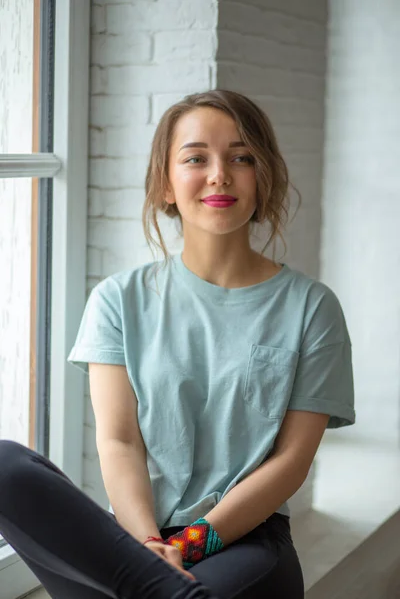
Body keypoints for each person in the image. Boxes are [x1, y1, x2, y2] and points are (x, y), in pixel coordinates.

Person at [0, 89, 355, 599]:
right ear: (166, 183)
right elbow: (120, 441)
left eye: (241, 157)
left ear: (263, 178)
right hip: (131, 541)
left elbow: (290, 463)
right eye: (195, 158)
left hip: (243, 540)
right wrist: (146, 543)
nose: (219, 174)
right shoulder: (117, 300)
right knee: (7, 466)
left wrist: (186, 545)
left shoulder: (312, 308)